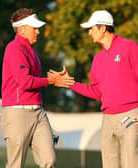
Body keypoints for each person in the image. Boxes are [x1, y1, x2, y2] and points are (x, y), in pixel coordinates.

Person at [49, 10, 138, 168]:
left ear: (103, 28)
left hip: (131, 116)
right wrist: (70, 83)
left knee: (131, 163)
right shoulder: (97, 60)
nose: (89, 32)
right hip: (108, 119)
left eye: (92, 28)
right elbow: (97, 92)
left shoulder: (129, 47)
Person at [0, 8, 74, 168]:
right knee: (16, 164)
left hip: (38, 113)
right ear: (22, 29)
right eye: (34, 28)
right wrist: (50, 81)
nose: (38, 32)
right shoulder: (14, 48)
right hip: (17, 112)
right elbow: (24, 82)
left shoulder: (31, 51)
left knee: (49, 160)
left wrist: (55, 79)